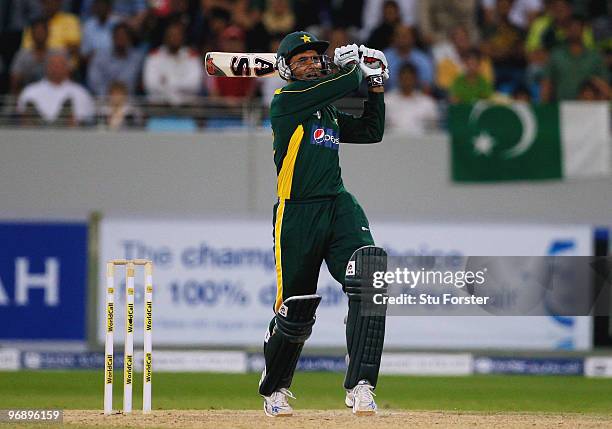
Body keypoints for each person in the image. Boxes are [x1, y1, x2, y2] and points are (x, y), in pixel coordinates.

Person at [259, 31, 389, 418]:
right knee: (296, 310)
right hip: (296, 213)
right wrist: (356, 69)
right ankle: (275, 388)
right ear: (287, 69)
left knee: (369, 273)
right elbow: (347, 81)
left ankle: (361, 386)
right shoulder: (286, 102)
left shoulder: (327, 109)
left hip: (337, 205)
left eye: (317, 58)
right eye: (302, 60)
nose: (313, 63)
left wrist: (377, 87)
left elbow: (370, 132)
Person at [540, 14, 609, 102]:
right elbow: (547, 83)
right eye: (571, 27)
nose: (574, 30)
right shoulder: (556, 55)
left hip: (589, 108)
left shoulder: (595, 57)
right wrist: (544, 107)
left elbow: (604, 86)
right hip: (562, 108)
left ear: (583, 29)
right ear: (565, 30)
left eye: (577, 27)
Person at [16, 52, 95, 125]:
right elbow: (22, 119)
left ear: (68, 67)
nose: (56, 68)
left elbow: (86, 122)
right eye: (53, 64)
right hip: (35, 136)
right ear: (46, 67)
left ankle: (62, 119)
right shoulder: (30, 91)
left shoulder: (81, 92)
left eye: (60, 64)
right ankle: (39, 120)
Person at [143, 20, 203, 106]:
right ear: (165, 37)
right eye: (171, 35)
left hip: (187, 106)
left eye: (177, 35)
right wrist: (180, 86)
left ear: (183, 37)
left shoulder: (192, 56)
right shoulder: (154, 57)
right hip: (160, 106)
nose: (174, 38)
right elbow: (150, 86)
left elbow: (194, 85)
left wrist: (168, 82)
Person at [10, 18, 63, 95]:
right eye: (37, 32)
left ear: (48, 33)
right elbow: (15, 81)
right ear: (31, 34)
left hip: (55, 94)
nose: (39, 35)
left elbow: (66, 79)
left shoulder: (57, 54)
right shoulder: (22, 55)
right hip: (29, 95)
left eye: (42, 32)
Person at [385, 62, 438, 135]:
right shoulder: (386, 100)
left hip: (421, 143)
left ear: (416, 79)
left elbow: (433, 130)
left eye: (409, 78)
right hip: (390, 143)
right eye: (404, 78)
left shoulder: (427, 103)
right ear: (398, 78)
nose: (407, 81)